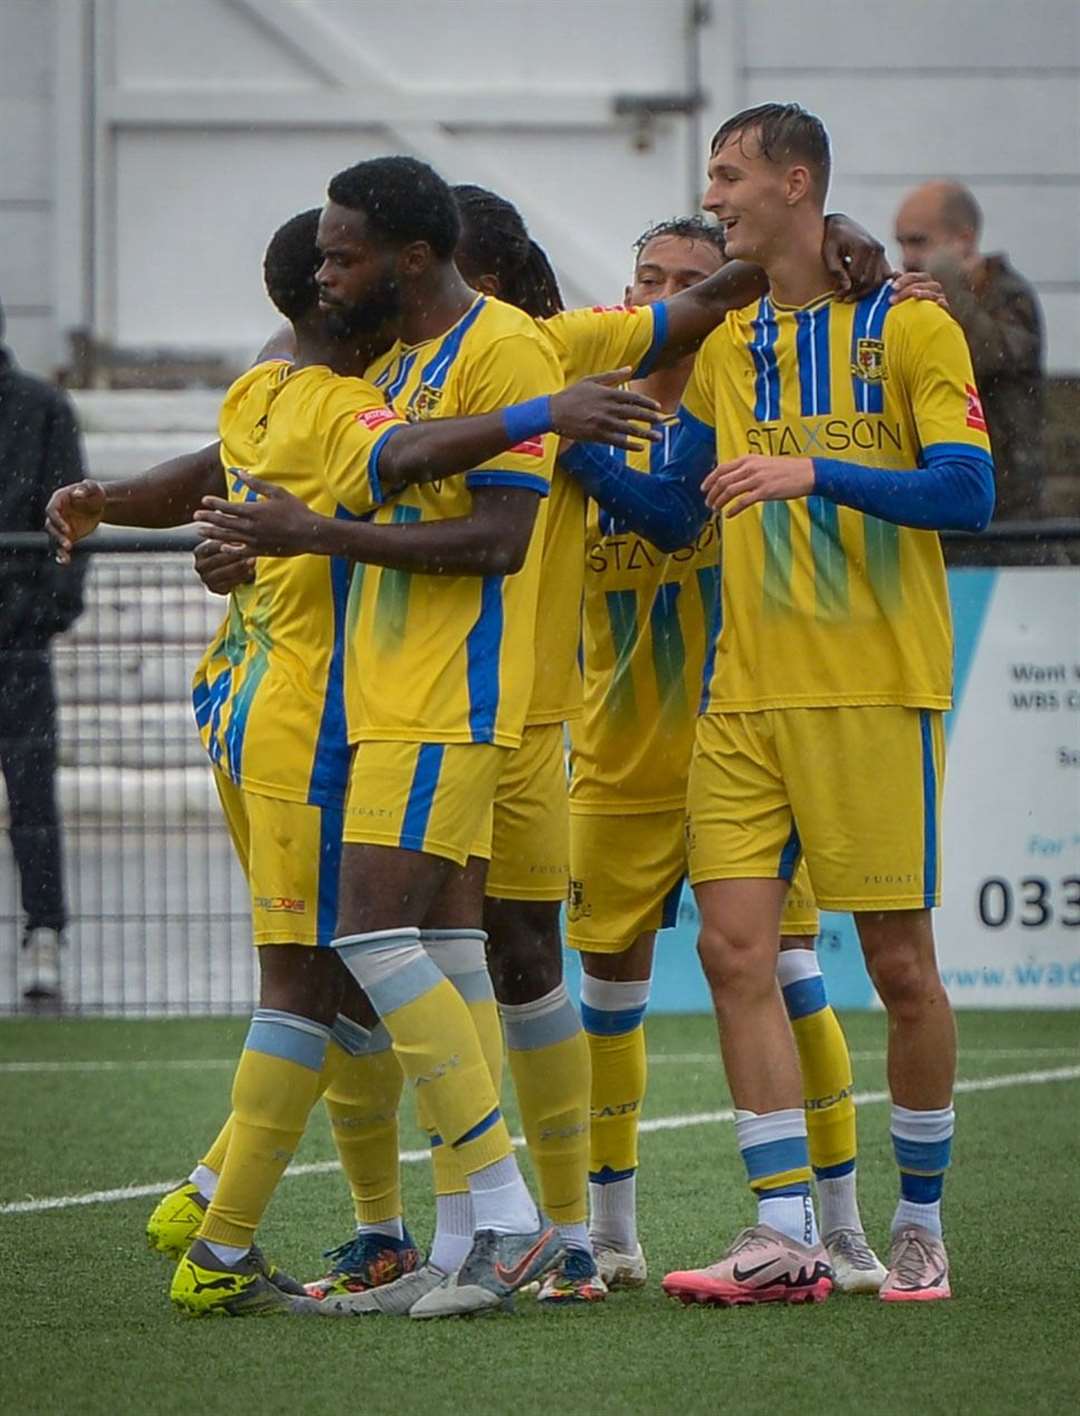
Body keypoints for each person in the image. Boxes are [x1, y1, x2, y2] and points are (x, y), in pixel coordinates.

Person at [46, 206, 657, 1319]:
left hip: (280, 707)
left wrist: (125, 506)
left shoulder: (275, 387)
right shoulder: (342, 398)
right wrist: (542, 417)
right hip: (331, 717)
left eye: (350, 252)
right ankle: (495, 1219)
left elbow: (226, 477)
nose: (341, 274)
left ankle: (264, 1226)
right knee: (363, 960)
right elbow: (400, 457)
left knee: (368, 967)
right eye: (328, 260)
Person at [559, 103, 994, 1306]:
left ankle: (916, 1226)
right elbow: (685, 487)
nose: (718, 196)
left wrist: (815, 470)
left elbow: (968, 490)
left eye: (732, 176)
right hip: (740, 696)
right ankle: (784, 1230)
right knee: (735, 949)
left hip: (868, 685)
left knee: (902, 967)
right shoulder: (736, 334)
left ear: (797, 183)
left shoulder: (907, 323)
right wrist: (568, 437)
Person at [567, 216, 886, 1296]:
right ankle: (611, 1232)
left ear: (731, 299)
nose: (665, 300)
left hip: (739, 740)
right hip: (612, 754)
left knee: (792, 974)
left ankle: (839, 1226)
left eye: (691, 284)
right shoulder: (587, 405)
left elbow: (665, 518)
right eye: (648, 279)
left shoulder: (742, 407)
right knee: (606, 991)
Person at [0, 298, 88, 1003]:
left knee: (31, 794)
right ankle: (43, 933)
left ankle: (44, 932)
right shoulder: (41, 405)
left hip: (15, 636)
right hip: (20, 630)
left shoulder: (42, 408)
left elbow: (71, 520)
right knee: (32, 793)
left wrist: (43, 614)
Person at [894, 180, 1044, 522]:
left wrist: (945, 280)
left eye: (918, 241)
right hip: (939, 487)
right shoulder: (913, 299)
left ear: (963, 239)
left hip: (1007, 503)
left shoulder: (1008, 295)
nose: (906, 257)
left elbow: (984, 355)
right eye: (901, 243)